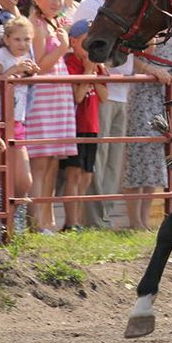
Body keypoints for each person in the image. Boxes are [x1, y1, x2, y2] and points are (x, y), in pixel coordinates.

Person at [70, 0, 131, 227]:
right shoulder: (89, 6)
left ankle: (104, 217)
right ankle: (93, 219)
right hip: (101, 90)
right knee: (99, 157)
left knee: (113, 161)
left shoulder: (121, 2)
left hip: (121, 90)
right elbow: (83, 47)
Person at [24, 0, 77, 233]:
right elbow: (39, 66)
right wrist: (63, 45)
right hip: (44, 97)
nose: (57, 2)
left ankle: (47, 219)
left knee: (52, 162)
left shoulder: (53, 23)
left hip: (58, 96)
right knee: (40, 162)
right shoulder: (36, 25)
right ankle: (36, 222)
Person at [123, 33, 172, 231]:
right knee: (138, 156)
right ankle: (134, 221)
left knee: (155, 161)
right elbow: (130, 57)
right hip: (143, 93)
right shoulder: (148, 25)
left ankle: (144, 220)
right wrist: (151, 70)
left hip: (166, 94)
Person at [60, 19, 106, 231]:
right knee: (74, 173)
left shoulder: (97, 65)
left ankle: (77, 221)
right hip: (75, 125)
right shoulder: (70, 63)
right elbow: (78, 96)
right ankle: (70, 222)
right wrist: (88, 72)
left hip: (92, 125)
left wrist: (93, 72)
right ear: (73, 42)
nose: (90, 48)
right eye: (86, 42)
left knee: (87, 175)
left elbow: (104, 95)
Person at [0, 16, 36, 228]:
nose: (22, 44)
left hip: (17, 121)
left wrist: (30, 74)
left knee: (23, 182)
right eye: (18, 39)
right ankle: (0, 226)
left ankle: (8, 224)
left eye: (27, 39)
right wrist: (12, 72)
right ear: (7, 39)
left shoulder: (27, 56)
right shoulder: (0, 56)